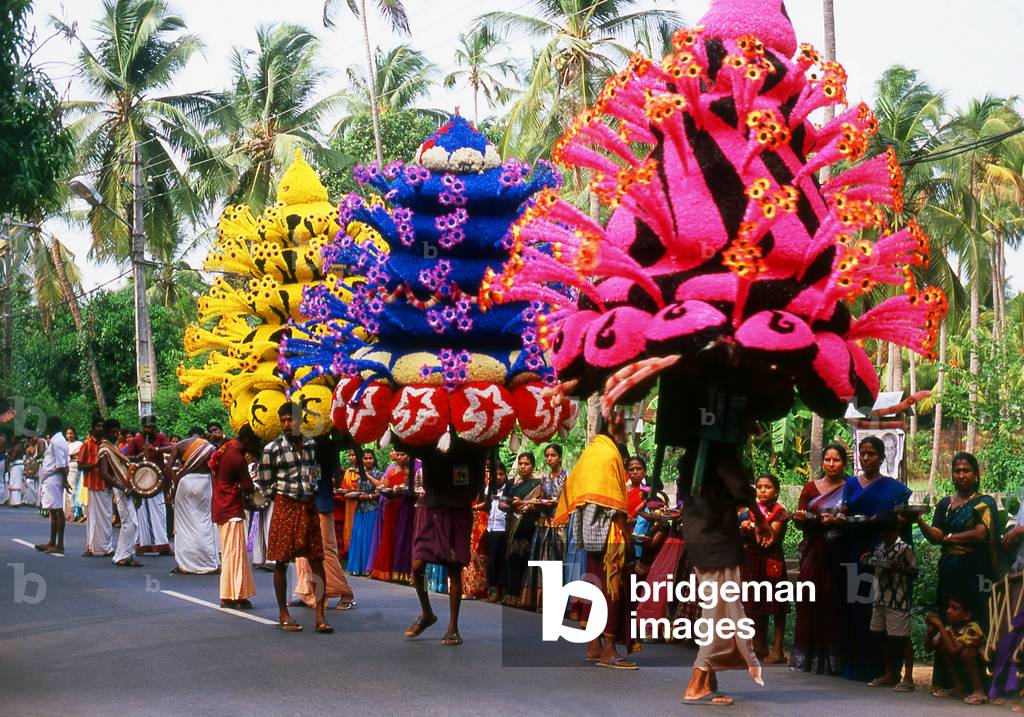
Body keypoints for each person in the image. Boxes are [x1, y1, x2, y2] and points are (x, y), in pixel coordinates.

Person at [678, 436, 773, 706]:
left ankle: (709, 680)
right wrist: (760, 517)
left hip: (699, 534)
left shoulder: (691, 453)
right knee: (718, 613)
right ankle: (696, 683)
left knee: (717, 609)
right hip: (715, 538)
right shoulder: (721, 445)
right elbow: (739, 486)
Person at [554, 410, 640, 669]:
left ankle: (593, 646)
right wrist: (627, 533)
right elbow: (614, 502)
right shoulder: (608, 454)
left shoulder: (591, 452)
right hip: (608, 535)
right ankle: (610, 649)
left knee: (594, 585)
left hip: (587, 532)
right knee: (612, 589)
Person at [917, 451, 999, 692]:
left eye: (966, 471)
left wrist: (950, 537)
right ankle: (951, 683)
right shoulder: (945, 503)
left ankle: (979, 686)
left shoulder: (984, 502)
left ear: (976, 475)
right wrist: (919, 521)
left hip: (973, 573)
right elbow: (935, 536)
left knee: (973, 623)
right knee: (948, 620)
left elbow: (981, 534)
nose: (961, 475)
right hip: (949, 571)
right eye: (957, 471)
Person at [402, 436, 488, 646]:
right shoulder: (430, 441)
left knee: (454, 570)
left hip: (458, 511)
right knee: (416, 565)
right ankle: (427, 613)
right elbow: (410, 445)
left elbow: (477, 478)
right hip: (432, 509)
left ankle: (453, 626)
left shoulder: (470, 445)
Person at [841, 435, 912, 682]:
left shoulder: (894, 488)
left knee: (882, 607)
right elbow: (845, 511)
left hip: (883, 550)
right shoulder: (851, 483)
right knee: (857, 607)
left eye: (871, 454)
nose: (866, 458)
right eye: (863, 453)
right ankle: (857, 665)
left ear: (882, 458)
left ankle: (887, 669)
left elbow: (903, 520)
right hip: (856, 550)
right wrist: (840, 517)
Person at [257, 402, 330, 633]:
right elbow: (264, 481)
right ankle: (283, 613)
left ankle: (320, 614)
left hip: (308, 506)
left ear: (300, 421)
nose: (287, 425)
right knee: (281, 560)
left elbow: (315, 471)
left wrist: (311, 490)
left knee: (316, 560)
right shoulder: (272, 448)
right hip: (285, 506)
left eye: (291, 420)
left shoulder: (311, 444)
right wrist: (279, 498)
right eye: (284, 420)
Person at [790, 443, 850, 675]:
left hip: (839, 553)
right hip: (813, 553)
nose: (831, 464)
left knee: (835, 605)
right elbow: (799, 520)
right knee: (809, 602)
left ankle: (834, 661)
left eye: (836, 460)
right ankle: (806, 658)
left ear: (844, 463)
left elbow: (853, 516)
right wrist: (803, 519)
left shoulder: (850, 488)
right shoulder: (810, 488)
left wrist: (837, 521)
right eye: (828, 459)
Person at [292, 431, 356, 612]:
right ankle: (309, 593)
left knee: (325, 551)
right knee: (304, 551)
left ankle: (345, 592)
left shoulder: (324, 446)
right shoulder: (304, 446)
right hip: (305, 504)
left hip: (321, 505)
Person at [863, 511, 918, 692]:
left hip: (898, 599)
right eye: (881, 533)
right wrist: (867, 560)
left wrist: (901, 569)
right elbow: (875, 567)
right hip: (880, 598)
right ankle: (890, 673)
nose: (884, 536)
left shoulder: (904, 548)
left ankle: (908, 677)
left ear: (896, 529)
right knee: (884, 636)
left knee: (902, 638)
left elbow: (914, 572)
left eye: (887, 533)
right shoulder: (879, 548)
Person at [739, 474, 790, 664]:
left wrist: (749, 528)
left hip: (771, 563)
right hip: (752, 561)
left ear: (776, 491)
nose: (762, 490)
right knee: (754, 603)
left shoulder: (780, 512)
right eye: (759, 487)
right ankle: (758, 645)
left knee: (776, 606)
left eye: (767, 487)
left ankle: (778, 650)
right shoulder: (751, 512)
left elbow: (770, 538)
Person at [211, 425, 261, 608]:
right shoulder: (237, 458)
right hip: (231, 507)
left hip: (221, 505)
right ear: (247, 440)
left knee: (229, 553)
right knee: (235, 554)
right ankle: (233, 595)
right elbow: (248, 485)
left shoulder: (228, 447)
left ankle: (231, 593)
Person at [164, 426, 219, 574]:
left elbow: (168, 467)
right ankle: (208, 563)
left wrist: (171, 487)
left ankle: (185, 564)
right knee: (204, 523)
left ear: (189, 435)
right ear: (202, 435)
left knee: (183, 525)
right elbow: (215, 470)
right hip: (203, 483)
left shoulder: (180, 445)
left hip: (185, 483)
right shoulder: (209, 447)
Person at [521, 444, 568, 609]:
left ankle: (557, 604)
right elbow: (541, 497)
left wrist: (555, 503)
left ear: (560, 457)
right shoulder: (544, 477)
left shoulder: (567, 476)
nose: (549, 459)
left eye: (553, 455)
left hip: (560, 523)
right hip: (544, 523)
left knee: (557, 562)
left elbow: (568, 500)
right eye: (547, 455)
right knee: (542, 561)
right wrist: (537, 504)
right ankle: (540, 601)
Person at [124, 415, 172, 555]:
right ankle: (142, 546)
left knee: (160, 513)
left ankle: (162, 545)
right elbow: (126, 457)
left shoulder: (161, 437)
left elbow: (171, 449)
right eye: (145, 427)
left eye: (150, 427)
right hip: (141, 482)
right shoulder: (137, 439)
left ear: (155, 427)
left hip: (157, 481)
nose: (147, 429)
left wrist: (155, 449)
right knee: (142, 513)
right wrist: (138, 457)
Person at [925, 596, 987, 705]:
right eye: (948, 607)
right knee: (944, 648)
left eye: (954, 608)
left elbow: (954, 649)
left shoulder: (972, 627)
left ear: (966, 615)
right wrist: (930, 633)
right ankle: (959, 687)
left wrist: (940, 626)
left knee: (967, 653)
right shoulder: (949, 629)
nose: (948, 611)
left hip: (984, 666)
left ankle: (979, 691)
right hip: (963, 665)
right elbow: (929, 649)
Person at [96, 419, 141, 567]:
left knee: (131, 522)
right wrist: (122, 487)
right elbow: (104, 473)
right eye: (112, 432)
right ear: (105, 432)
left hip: (124, 486)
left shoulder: (112, 447)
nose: (115, 434)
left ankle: (127, 554)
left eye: (117, 432)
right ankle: (122, 556)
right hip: (121, 488)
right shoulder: (104, 449)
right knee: (130, 522)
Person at [501, 452, 542, 607]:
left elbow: (539, 505)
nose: (523, 467)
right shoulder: (511, 483)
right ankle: (509, 594)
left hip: (527, 525)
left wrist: (525, 504)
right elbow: (501, 504)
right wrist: (514, 505)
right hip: (512, 524)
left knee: (521, 559)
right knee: (510, 559)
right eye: (521, 463)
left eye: (527, 464)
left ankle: (519, 596)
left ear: (533, 466)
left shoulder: (538, 484)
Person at [370, 450, 411, 582]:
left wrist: (401, 487)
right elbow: (384, 484)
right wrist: (382, 487)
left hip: (404, 507)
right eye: (397, 454)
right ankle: (386, 571)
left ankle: (401, 571)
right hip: (391, 506)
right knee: (388, 537)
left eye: (402, 454)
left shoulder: (411, 469)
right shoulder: (392, 469)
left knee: (401, 538)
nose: (399, 457)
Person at [33, 417, 70, 553]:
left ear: (50, 426)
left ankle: (59, 545)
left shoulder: (58, 441)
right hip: (51, 478)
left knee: (57, 511)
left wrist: (65, 481)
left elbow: (61, 464)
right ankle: (52, 543)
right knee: (53, 512)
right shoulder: (56, 439)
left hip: (54, 478)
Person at [78, 417, 113, 557]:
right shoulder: (86, 445)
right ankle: (91, 547)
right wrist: (95, 465)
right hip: (94, 484)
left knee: (106, 517)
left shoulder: (108, 444)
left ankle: (106, 547)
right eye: (97, 426)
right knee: (93, 517)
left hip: (107, 484)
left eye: (101, 426)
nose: (99, 429)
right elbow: (80, 465)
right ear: (92, 428)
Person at [346, 449, 382, 576]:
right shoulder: (358, 472)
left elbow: (380, 489)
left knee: (368, 538)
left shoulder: (378, 472)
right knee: (357, 537)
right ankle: (356, 568)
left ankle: (369, 568)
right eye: (365, 458)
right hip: (360, 508)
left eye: (370, 458)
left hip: (372, 508)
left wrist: (368, 477)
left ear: (374, 459)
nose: (367, 461)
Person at [484, 461, 508, 603]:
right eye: (496, 474)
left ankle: (500, 591)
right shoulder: (489, 489)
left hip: (502, 528)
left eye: (501, 474)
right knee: (491, 560)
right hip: (490, 527)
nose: (498, 477)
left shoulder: (508, 488)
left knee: (500, 561)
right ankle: (491, 589)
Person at [7, 436, 25, 507]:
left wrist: (7, 455)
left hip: (16, 466)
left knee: (14, 484)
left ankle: (15, 502)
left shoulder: (16, 448)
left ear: (16, 440)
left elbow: (12, 458)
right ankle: (15, 501)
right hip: (20, 465)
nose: (11, 440)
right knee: (17, 483)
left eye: (13, 439)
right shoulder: (21, 446)